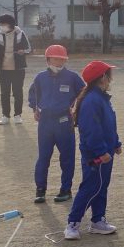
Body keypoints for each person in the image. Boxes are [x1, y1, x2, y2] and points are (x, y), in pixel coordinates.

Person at [64, 61, 121, 241]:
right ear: (102, 77)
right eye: (109, 75)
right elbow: (91, 130)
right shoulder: (92, 100)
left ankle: (98, 220)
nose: (111, 78)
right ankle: (72, 223)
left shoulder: (101, 98)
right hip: (96, 154)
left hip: (106, 152)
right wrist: (101, 151)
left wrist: (116, 143)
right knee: (91, 187)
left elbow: (109, 124)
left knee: (101, 186)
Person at [28, 44, 86, 204]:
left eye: (62, 59)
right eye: (56, 59)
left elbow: (84, 93)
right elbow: (33, 93)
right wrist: (34, 108)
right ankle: (40, 190)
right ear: (48, 59)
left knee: (67, 158)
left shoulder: (72, 77)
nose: (59, 62)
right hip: (45, 122)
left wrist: (77, 110)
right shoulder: (40, 77)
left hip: (64, 122)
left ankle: (65, 190)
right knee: (43, 157)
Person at [0, 13, 33, 125]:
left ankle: (18, 115)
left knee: (18, 92)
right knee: (4, 93)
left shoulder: (20, 34)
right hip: (3, 69)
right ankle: (5, 116)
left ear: (10, 24)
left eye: (3, 24)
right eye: (0, 24)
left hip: (18, 69)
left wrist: (23, 51)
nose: (1, 26)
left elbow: (29, 49)